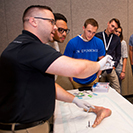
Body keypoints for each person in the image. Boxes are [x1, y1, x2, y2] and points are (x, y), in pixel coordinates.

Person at [0, 5, 113, 133]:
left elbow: (46, 84)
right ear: (33, 21)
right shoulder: (31, 48)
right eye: (51, 22)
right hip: (25, 128)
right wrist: (100, 64)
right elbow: (77, 69)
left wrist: (75, 100)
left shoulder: (22, 45)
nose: (54, 27)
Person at [64, 18, 105, 89]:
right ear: (83, 28)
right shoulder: (72, 43)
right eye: (89, 31)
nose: (91, 35)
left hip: (93, 79)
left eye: (93, 32)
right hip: (76, 80)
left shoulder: (99, 42)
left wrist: (98, 75)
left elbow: (102, 61)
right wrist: (70, 77)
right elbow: (66, 61)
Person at [95, 18, 121, 93]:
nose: (112, 29)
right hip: (99, 69)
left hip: (110, 69)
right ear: (108, 23)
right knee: (100, 91)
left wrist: (114, 65)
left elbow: (118, 54)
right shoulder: (97, 36)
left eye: (115, 28)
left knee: (117, 90)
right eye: (112, 26)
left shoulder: (116, 39)